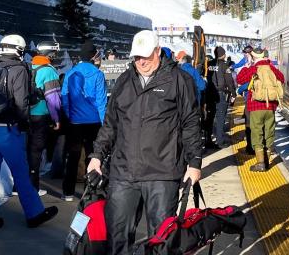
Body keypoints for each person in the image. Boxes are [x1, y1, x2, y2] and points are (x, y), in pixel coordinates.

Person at [87, 30, 203, 255]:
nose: (141, 62)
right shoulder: (124, 80)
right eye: (137, 57)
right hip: (123, 173)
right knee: (117, 237)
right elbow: (111, 124)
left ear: (158, 51)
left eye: (146, 57)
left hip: (162, 173)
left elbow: (190, 124)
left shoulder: (180, 80)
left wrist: (194, 162)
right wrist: (97, 156)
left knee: (161, 240)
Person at [0, 34, 58, 230]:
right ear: (18, 50)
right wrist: (24, 123)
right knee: (21, 172)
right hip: (9, 130)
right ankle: (34, 213)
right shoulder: (18, 69)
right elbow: (21, 101)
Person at [61, 40, 107, 200]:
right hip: (94, 121)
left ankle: (67, 192)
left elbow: (65, 98)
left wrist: (70, 114)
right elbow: (101, 101)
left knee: (72, 156)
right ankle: (91, 192)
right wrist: (104, 123)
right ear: (93, 55)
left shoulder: (70, 73)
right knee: (92, 156)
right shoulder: (98, 74)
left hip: (75, 121)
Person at [236, 47, 285, 172]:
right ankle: (268, 160)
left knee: (257, 133)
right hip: (271, 107)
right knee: (269, 132)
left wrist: (246, 66)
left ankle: (260, 163)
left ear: (253, 57)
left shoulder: (253, 68)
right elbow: (282, 78)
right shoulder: (271, 68)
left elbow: (239, 79)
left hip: (256, 106)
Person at [27, 42, 62, 194]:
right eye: (55, 53)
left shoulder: (29, 66)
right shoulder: (49, 71)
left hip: (26, 115)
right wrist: (57, 118)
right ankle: (33, 188)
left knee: (28, 151)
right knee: (36, 151)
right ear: (50, 54)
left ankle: (19, 186)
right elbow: (53, 98)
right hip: (41, 115)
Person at [206, 46, 236, 148]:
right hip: (220, 94)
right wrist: (233, 93)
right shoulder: (224, 66)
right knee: (220, 118)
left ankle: (208, 140)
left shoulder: (209, 64)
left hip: (209, 93)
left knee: (209, 117)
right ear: (222, 55)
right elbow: (229, 81)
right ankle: (220, 141)